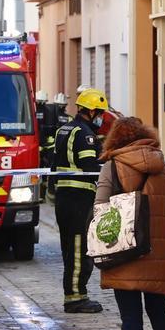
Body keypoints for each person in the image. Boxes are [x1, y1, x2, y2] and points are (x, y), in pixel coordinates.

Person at [95, 117, 165, 330]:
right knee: (161, 312)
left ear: (115, 138)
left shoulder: (112, 165)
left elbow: (101, 207)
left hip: (126, 251)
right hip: (156, 251)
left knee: (131, 317)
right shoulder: (159, 164)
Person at [51, 88, 109, 313]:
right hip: (78, 199)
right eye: (100, 113)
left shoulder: (63, 129)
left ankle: (77, 293)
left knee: (70, 248)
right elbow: (89, 168)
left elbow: (54, 164)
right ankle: (75, 298)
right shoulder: (85, 134)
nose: (101, 117)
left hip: (64, 198)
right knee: (77, 249)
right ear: (92, 111)